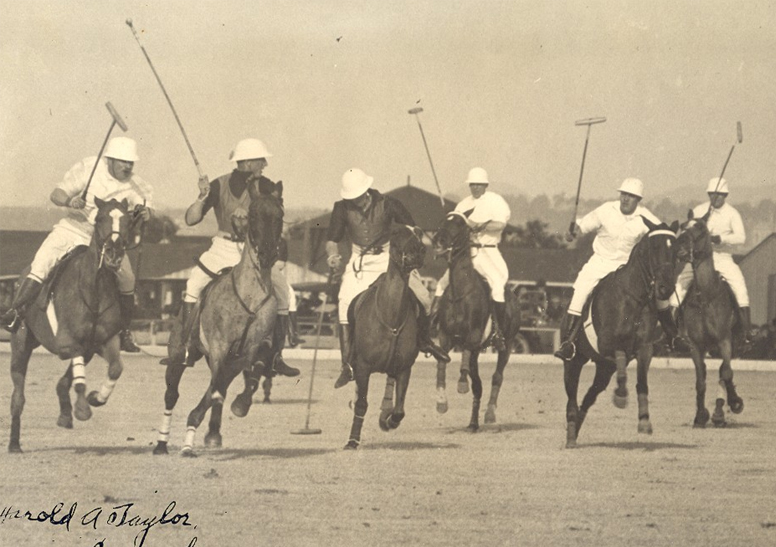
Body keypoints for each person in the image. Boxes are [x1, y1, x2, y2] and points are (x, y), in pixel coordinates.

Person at [162, 138, 299, 376]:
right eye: (260, 160)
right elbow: (191, 219)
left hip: (253, 252)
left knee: (286, 293)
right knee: (193, 284)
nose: (265, 164)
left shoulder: (267, 187)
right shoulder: (218, 185)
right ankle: (185, 346)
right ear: (246, 162)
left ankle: (276, 356)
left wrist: (252, 213)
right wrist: (202, 197)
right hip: (222, 248)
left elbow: (273, 217)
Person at [1, 136, 152, 352]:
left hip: (107, 242)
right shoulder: (88, 168)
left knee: (128, 279)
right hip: (73, 230)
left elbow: (144, 210)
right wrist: (70, 201)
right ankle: (16, 312)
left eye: (131, 162)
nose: (127, 166)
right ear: (110, 160)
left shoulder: (138, 186)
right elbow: (56, 195)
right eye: (122, 161)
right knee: (42, 263)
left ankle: (124, 331)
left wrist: (146, 213)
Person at [325, 168, 450, 388]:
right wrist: (333, 256)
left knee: (424, 298)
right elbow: (332, 239)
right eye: (351, 199)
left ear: (366, 192)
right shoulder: (341, 208)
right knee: (344, 301)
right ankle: (348, 364)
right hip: (359, 261)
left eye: (357, 198)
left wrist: (413, 237)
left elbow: (413, 227)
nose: (355, 203)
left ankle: (425, 340)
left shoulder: (387, 203)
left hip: (387, 258)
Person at [554, 178, 667, 360]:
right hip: (600, 263)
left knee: (660, 295)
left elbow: (662, 232)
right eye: (623, 194)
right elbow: (583, 225)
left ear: (638, 200)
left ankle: (671, 335)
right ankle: (568, 342)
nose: (625, 199)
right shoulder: (606, 210)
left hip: (628, 268)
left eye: (631, 196)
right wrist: (573, 232)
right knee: (580, 293)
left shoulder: (646, 217)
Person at [432, 167, 512, 350]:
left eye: (479, 184)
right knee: (441, 285)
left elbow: (500, 224)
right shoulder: (462, 204)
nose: (475, 187)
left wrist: (477, 226)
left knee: (498, 287)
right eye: (472, 184)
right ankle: (432, 325)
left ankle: (498, 332)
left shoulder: (496, 201)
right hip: (465, 255)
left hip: (488, 253)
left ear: (486, 185)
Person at [670, 177, 755, 343]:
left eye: (719, 195)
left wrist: (720, 238)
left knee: (739, 287)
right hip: (698, 258)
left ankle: (746, 332)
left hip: (722, 257)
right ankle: (670, 330)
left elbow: (741, 237)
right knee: (680, 285)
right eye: (712, 194)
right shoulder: (699, 210)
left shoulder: (732, 213)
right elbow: (688, 230)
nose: (716, 198)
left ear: (725, 195)